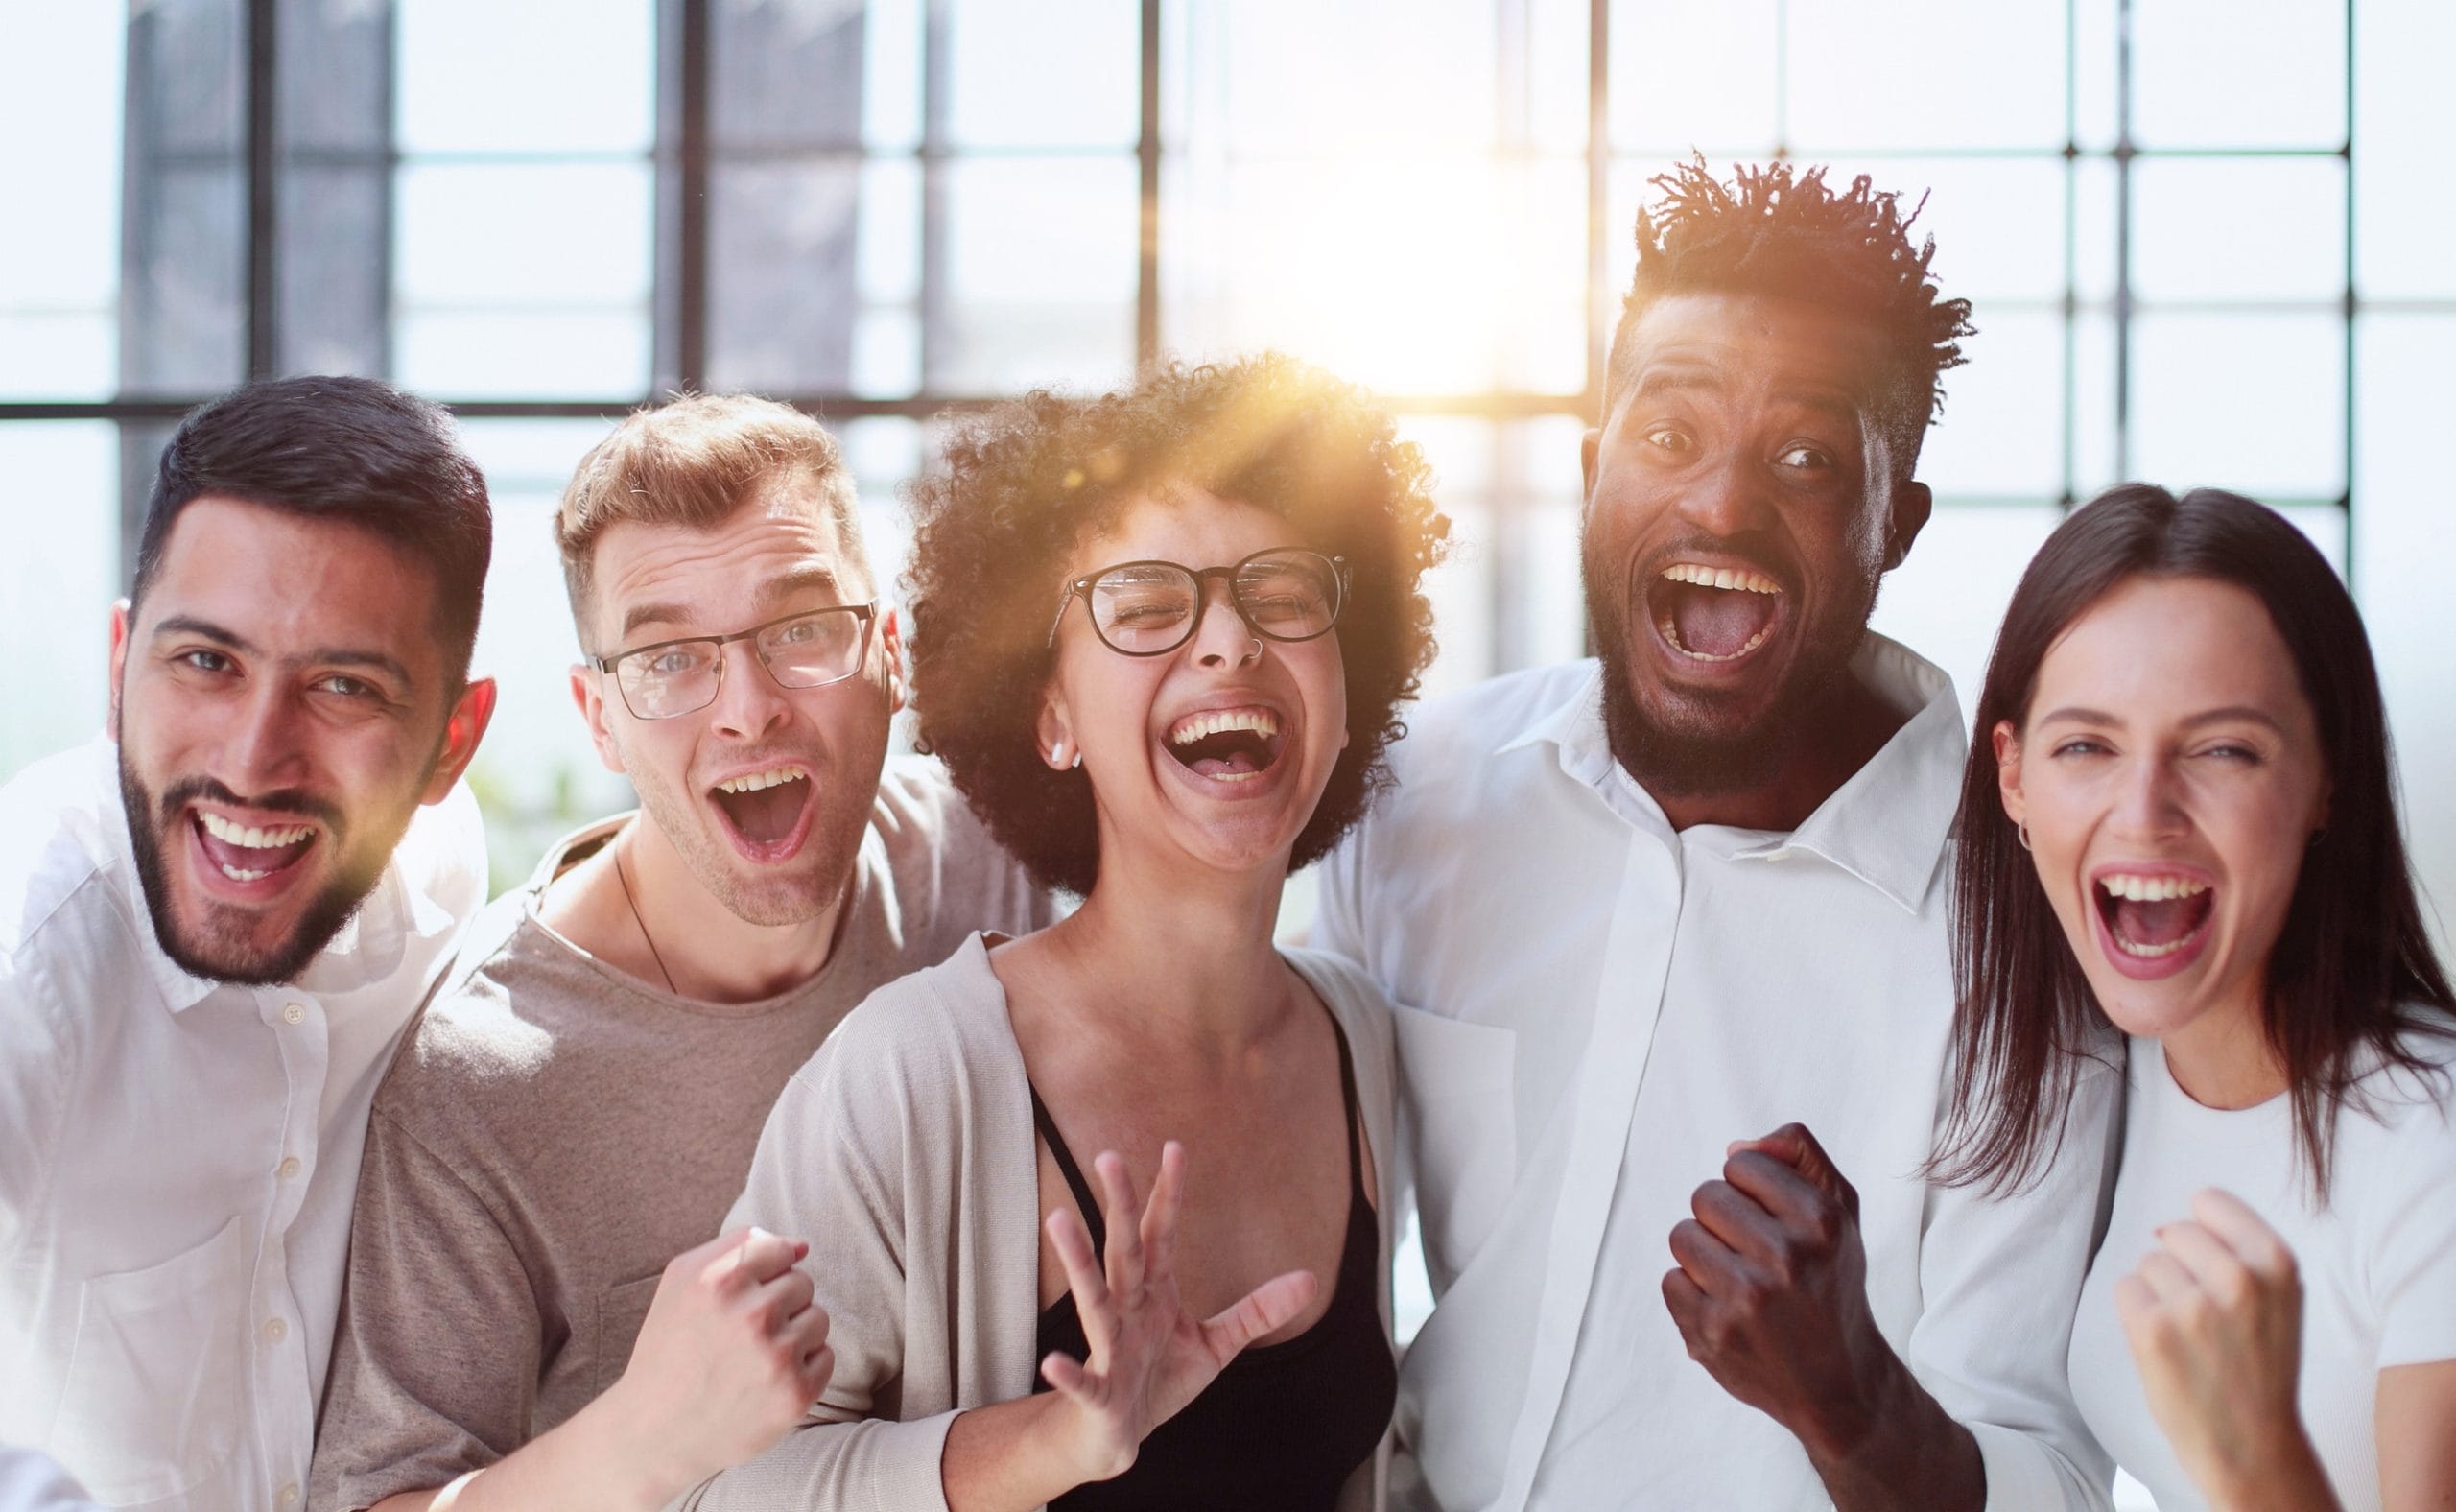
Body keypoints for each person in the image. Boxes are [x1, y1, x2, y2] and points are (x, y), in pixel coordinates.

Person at [1314, 158, 2118, 1511]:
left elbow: (2048, 1480)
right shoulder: (1422, 797)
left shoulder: (2021, 925)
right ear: (1593, 470)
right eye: (1671, 437)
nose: (1723, 507)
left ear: (1896, 523)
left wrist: (1851, 1400)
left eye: (1807, 458)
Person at [674, 354, 1448, 1510]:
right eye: (1143, 605)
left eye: (1281, 595)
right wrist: (1052, 1444)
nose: (1229, 642)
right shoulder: (912, 1076)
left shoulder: (1358, 1036)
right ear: (1050, 717)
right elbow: (706, 1487)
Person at [306, 393, 1058, 1512]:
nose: (747, 708)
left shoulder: (992, 865)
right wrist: (643, 1435)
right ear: (598, 715)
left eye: (801, 629)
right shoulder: (481, 1075)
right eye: (667, 658)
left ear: (887, 652)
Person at [0, 376, 497, 1512]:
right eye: (206, 662)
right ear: (120, 663)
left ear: (450, 743)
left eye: (342, 686)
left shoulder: (440, 877)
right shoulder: (27, 958)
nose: (253, 759)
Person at [1937, 484, 2456, 1510]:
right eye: (2085, 745)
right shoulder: (2104, 1068)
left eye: (2221, 748)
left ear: (2327, 779)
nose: (2144, 813)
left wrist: (2257, 1454)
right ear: (2013, 779)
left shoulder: (2430, 1147)